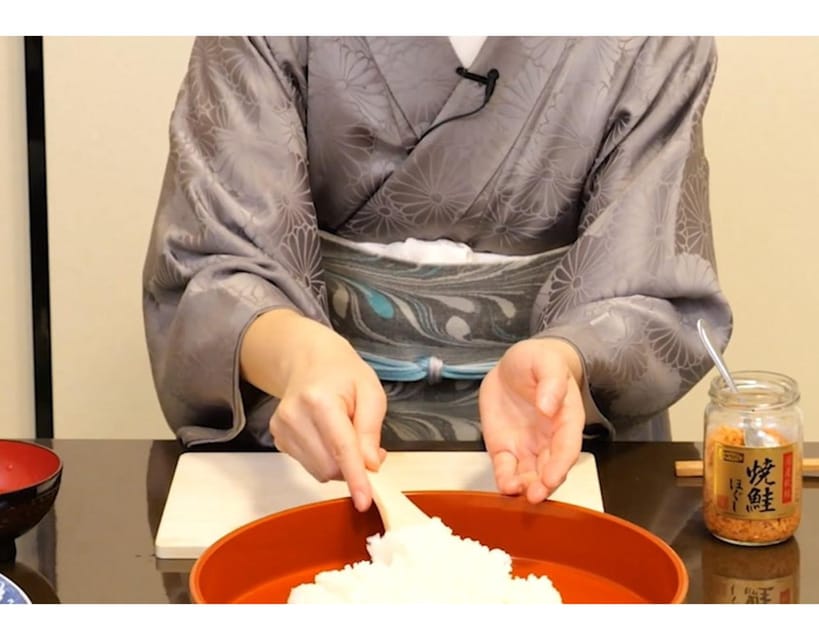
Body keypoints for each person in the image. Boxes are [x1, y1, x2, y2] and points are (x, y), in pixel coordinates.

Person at [142, 36, 733, 513]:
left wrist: (568, 359)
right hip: (313, 455)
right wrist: (298, 355)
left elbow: (649, 278)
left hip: (558, 455)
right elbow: (213, 259)